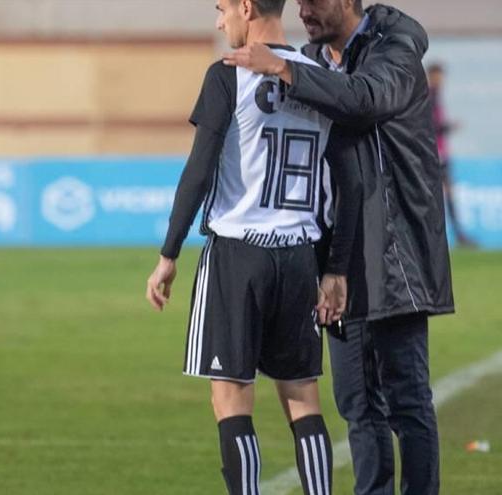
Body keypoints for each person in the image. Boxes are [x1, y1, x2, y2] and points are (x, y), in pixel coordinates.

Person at [224, 2, 454, 494]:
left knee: (407, 400)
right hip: (337, 259)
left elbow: (364, 98)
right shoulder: (312, 59)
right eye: (299, 1)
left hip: (397, 254)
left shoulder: (395, 48)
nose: (304, 9)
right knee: (355, 402)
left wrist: (284, 67)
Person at [145, 1, 363, 493]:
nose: (220, 21)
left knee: (231, 400)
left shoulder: (228, 75)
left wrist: (169, 253)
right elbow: (349, 182)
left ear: (246, 6)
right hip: (299, 255)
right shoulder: (318, 74)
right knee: (303, 398)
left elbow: (199, 170)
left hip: (239, 254)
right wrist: (335, 268)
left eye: (222, 9)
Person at [428, 63, 476, 247]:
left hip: (442, 154)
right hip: (434, 155)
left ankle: (457, 235)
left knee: (447, 196)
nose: (440, 81)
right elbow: (430, 126)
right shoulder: (429, 96)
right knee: (439, 196)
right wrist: (449, 127)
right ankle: (442, 235)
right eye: (437, 77)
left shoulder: (437, 96)